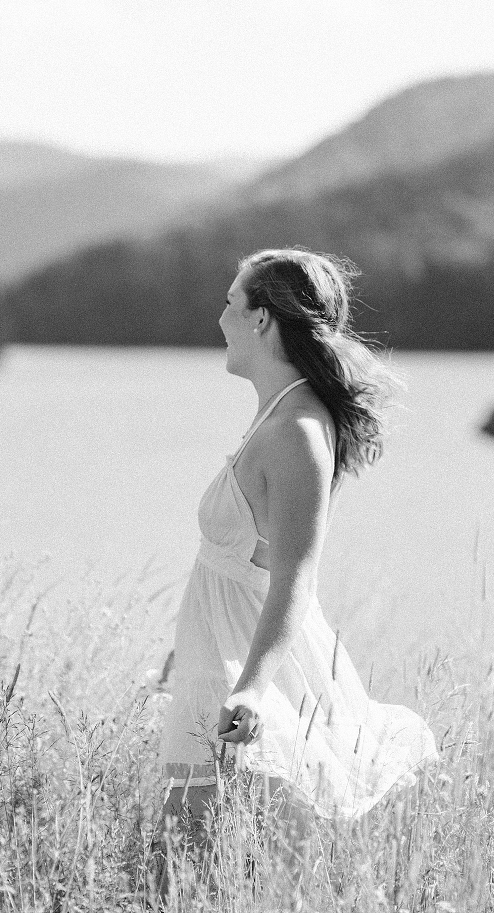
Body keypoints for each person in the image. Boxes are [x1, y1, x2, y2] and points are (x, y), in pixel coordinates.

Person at [159, 248, 438, 824]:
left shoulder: (299, 431)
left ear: (262, 318)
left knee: (201, 862)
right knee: (187, 861)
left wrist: (252, 689)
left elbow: (294, 579)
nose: (219, 320)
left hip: (245, 674)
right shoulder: (278, 416)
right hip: (216, 654)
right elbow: (238, 565)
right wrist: (189, 652)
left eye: (230, 303)